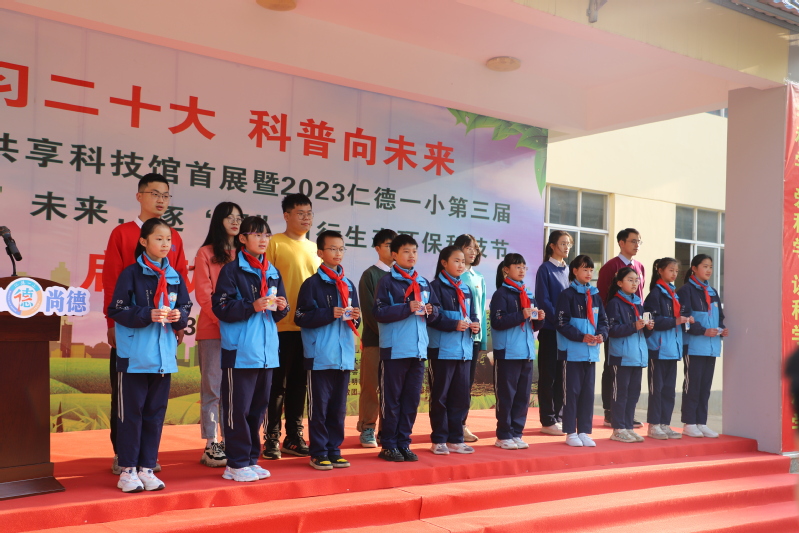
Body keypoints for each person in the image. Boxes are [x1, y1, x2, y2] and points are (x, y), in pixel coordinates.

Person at [102, 173, 189, 475]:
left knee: (154, 402)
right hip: (130, 329)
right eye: (155, 193)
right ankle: (123, 454)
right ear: (139, 196)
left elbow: (181, 280)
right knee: (127, 396)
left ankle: (146, 459)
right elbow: (111, 280)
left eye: (166, 195)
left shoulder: (174, 236)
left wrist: (179, 322)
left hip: (162, 331)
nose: (161, 200)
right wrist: (111, 322)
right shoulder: (122, 233)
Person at [213, 217, 288, 482]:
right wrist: (251, 306)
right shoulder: (231, 271)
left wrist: (282, 308)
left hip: (266, 352)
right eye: (257, 235)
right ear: (243, 239)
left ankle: (250, 460)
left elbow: (278, 311)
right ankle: (235, 463)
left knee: (257, 410)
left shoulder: (272, 271)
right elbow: (220, 307)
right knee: (238, 410)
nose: (263, 240)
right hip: (240, 351)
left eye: (266, 235)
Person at [296, 230, 361, 470]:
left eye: (341, 249)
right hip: (320, 356)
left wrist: (355, 317)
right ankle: (318, 452)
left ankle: (334, 450)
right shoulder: (312, 284)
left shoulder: (349, 284)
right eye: (332, 249)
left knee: (338, 408)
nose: (337, 253)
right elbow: (300, 317)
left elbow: (355, 322)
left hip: (344, 355)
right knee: (319, 408)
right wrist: (328, 313)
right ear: (320, 253)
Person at [263, 194, 321, 460]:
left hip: (308, 327)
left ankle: (294, 436)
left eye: (309, 213)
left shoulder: (315, 249)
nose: (306, 218)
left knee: (299, 384)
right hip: (279, 326)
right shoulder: (274, 243)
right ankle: (271, 437)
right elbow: (265, 281)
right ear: (286, 216)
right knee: (276, 385)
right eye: (300, 213)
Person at [373, 234, 440, 462]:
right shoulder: (387, 281)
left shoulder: (423, 282)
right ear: (394, 255)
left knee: (411, 400)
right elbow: (378, 312)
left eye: (414, 251)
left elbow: (436, 311)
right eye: (406, 251)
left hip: (418, 350)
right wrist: (406, 307)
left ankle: (403, 443)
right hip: (395, 349)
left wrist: (431, 310)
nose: (412, 255)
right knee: (392, 400)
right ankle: (388, 444)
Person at [194, 202, 243, 468]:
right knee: (213, 388)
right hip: (213, 329)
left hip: (243, 332)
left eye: (239, 218)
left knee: (234, 390)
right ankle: (211, 443)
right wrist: (223, 321)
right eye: (229, 217)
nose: (235, 222)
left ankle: (229, 440)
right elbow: (204, 295)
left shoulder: (246, 254)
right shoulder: (206, 252)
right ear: (218, 221)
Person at [427, 246, 480, 455]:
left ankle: (456, 439)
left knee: (460, 396)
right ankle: (439, 439)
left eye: (462, 261)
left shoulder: (465, 288)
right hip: (442, 350)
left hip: (464, 349)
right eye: (456, 261)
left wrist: (475, 325)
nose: (460, 265)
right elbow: (432, 317)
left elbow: (473, 314)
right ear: (444, 263)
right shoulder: (434, 287)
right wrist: (453, 324)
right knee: (440, 396)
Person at [490, 253, 545, 450]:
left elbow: (533, 326)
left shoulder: (527, 293)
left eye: (524, 267)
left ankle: (516, 433)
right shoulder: (501, 294)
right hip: (508, 352)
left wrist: (540, 319)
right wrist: (521, 314)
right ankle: (503, 435)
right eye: (517, 267)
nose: (522, 270)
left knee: (522, 396)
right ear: (506, 270)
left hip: (526, 351)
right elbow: (497, 322)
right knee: (506, 396)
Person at [556, 255, 609, 448]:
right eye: (585, 269)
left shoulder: (595, 295)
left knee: (587, 394)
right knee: (571, 394)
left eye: (591, 270)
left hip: (591, 354)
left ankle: (584, 431)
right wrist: (581, 336)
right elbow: (561, 323)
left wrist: (602, 335)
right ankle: (570, 432)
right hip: (571, 353)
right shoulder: (566, 295)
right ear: (575, 271)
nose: (589, 273)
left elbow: (603, 322)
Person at [597, 228, 646, 428]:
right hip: (615, 322)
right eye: (633, 241)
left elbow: (639, 297)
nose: (637, 245)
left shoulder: (640, 266)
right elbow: (602, 296)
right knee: (612, 368)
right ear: (621, 243)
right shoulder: (611, 266)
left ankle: (627, 415)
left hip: (635, 327)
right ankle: (610, 411)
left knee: (632, 376)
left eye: (639, 241)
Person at [677, 254, 727, 439]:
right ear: (694, 268)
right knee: (693, 385)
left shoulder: (712, 291)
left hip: (711, 347)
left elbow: (720, 316)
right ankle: (689, 423)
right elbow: (684, 320)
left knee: (705, 386)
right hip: (694, 346)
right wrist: (703, 330)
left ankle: (701, 422)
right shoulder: (686, 291)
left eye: (711, 267)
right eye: (705, 266)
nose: (709, 270)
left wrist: (721, 329)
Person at [356, 228, 397, 448]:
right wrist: (389, 335)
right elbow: (370, 312)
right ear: (378, 248)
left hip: (398, 344)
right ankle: (368, 428)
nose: (393, 250)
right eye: (389, 246)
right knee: (371, 386)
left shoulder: (402, 276)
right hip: (375, 341)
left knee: (391, 388)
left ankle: (386, 430)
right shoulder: (370, 275)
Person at [644, 257, 692, 440]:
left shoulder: (673, 293)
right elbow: (651, 320)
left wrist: (685, 320)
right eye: (671, 270)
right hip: (658, 348)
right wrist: (676, 321)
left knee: (669, 390)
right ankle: (654, 425)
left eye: (676, 271)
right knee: (657, 389)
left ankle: (665, 423)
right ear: (660, 270)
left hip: (673, 348)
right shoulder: (655, 294)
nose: (674, 274)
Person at [605, 267, 653, 443]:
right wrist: (633, 326)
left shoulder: (638, 303)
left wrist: (648, 328)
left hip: (637, 356)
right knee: (620, 393)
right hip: (621, 356)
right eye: (630, 280)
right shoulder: (614, 303)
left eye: (636, 280)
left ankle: (628, 427)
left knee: (633, 394)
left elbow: (643, 333)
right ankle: (618, 428)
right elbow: (611, 330)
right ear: (619, 283)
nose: (634, 283)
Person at [534, 230, 572, 436]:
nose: (567, 247)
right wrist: (559, 321)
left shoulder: (569, 269)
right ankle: (547, 419)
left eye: (569, 244)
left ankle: (559, 416)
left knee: (562, 376)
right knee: (548, 376)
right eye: (563, 243)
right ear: (552, 246)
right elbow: (543, 300)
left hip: (566, 332)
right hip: (551, 330)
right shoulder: (545, 269)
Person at [454, 234, 488, 443]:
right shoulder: (455, 276)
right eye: (468, 248)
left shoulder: (478, 277)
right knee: (454, 384)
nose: (473, 252)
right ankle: (449, 425)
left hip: (473, 338)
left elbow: (481, 310)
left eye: (475, 248)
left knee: (467, 384)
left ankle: (462, 424)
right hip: (455, 337)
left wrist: (481, 338)